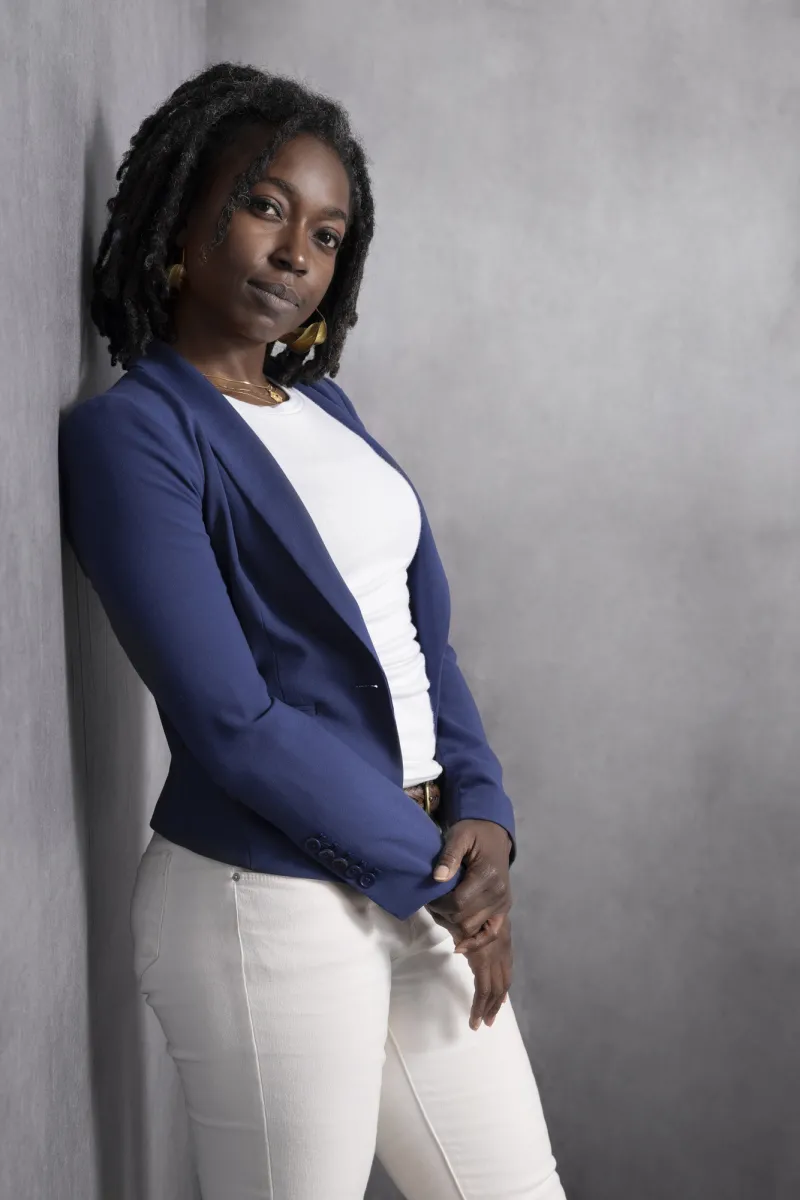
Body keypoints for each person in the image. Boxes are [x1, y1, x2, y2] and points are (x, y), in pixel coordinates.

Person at [58, 62, 567, 1200]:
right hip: (263, 901)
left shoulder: (324, 409)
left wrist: (482, 813)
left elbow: (418, 639)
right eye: (264, 204)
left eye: (329, 233)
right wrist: (437, 874)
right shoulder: (135, 435)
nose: (297, 252)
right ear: (181, 215)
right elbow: (232, 722)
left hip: (416, 873)